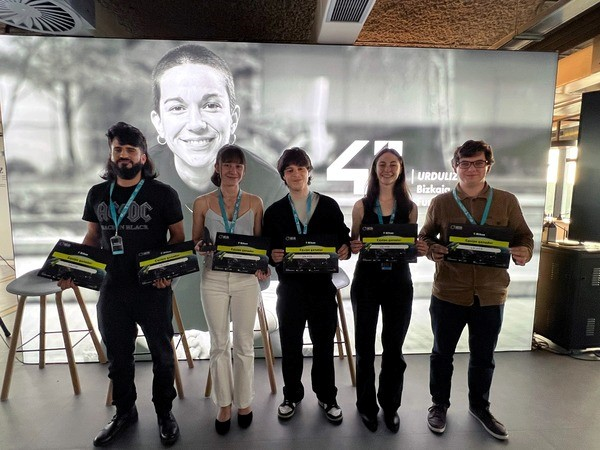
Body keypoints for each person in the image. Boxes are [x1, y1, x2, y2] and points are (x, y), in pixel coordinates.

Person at [58, 122, 185, 447]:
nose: (123, 155)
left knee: (162, 356)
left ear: (143, 156)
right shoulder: (98, 194)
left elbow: (178, 237)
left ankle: (165, 413)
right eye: (118, 149)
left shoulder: (163, 194)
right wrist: (74, 270)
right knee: (118, 357)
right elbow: (92, 237)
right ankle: (124, 412)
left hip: (152, 289)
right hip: (112, 288)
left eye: (130, 150)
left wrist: (167, 272)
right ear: (111, 154)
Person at [149, 43, 288, 331]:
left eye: (211, 105)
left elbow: (279, 280)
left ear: (233, 118)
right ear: (159, 123)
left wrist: (237, 332)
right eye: (177, 108)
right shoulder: (139, 181)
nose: (196, 124)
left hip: (242, 322)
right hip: (157, 325)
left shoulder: (268, 185)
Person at [418, 139, 533, 440]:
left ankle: (480, 407)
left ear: (488, 166)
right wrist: (432, 250)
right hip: (448, 292)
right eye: (465, 163)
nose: (471, 169)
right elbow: (425, 237)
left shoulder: (506, 201)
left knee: (484, 356)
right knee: (442, 354)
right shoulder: (441, 202)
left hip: (491, 294)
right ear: (455, 166)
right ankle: (438, 405)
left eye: (478, 163)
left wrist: (524, 251)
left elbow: (524, 237)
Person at [262, 147, 350, 424]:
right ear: (283, 176)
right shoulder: (275, 212)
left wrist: (345, 249)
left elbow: (343, 239)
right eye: (290, 170)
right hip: (290, 290)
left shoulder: (328, 205)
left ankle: (327, 396)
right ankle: (291, 396)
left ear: (309, 172)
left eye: (301, 168)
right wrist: (273, 256)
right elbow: (268, 250)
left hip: (322, 289)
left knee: (324, 345)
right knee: (290, 345)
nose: (296, 174)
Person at [349, 148, 428, 433]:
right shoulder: (361, 206)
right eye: (382, 164)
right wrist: (354, 245)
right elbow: (353, 243)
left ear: (401, 169)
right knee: (365, 348)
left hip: (398, 282)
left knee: (394, 349)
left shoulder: (410, 207)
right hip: (367, 281)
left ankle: (391, 405)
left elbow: (410, 246)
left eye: (393, 164)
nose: (387, 169)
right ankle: (366, 405)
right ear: (374, 169)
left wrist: (420, 248)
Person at [191, 144, 268, 435]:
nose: (232, 171)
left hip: (246, 280)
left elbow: (259, 244)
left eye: (238, 166)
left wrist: (261, 265)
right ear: (217, 168)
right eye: (227, 165)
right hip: (213, 278)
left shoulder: (255, 202)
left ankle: (244, 402)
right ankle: (224, 404)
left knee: (245, 343)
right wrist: (200, 247)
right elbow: (196, 241)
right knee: (219, 343)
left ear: (243, 171)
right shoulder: (202, 202)